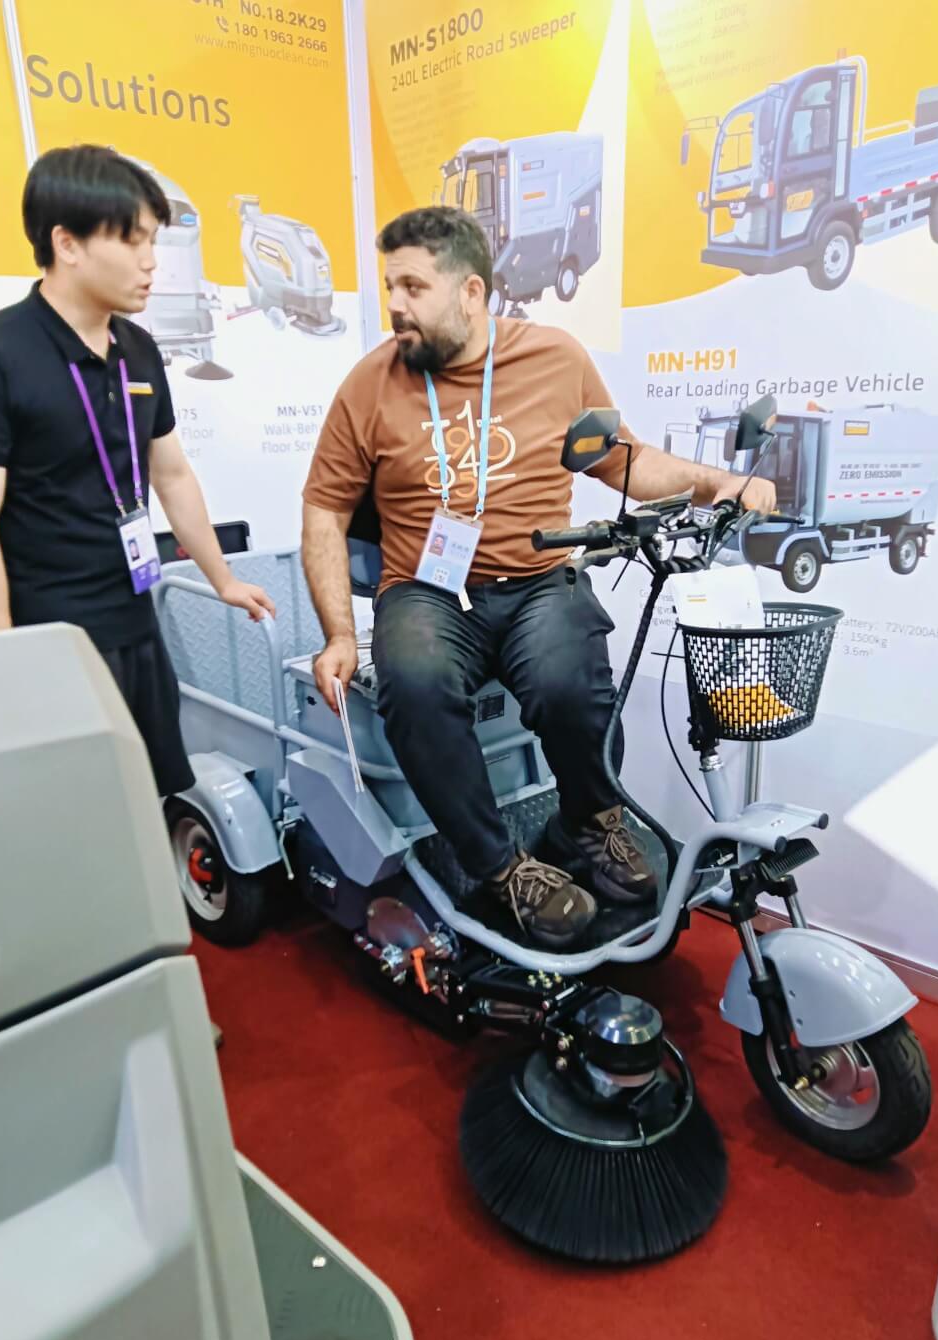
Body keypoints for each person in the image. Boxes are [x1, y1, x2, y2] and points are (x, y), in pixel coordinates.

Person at [301, 206, 776, 950]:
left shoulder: (554, 357)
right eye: (390, 286)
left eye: (413, 287)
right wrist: (337, 633)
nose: (395, 305)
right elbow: (325, 509)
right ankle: (500, 867)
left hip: (535, 575)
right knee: (415, 685)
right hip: (427, 589)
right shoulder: (370, 383)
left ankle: (586, 821)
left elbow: (624, 461)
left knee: (572, 682)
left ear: (471, 292)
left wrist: (717, 483)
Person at [0, 145, 274, 798]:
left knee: (151, 799)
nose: (151, 261)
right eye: (132, 240)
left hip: (137, 623)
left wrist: (223, 578)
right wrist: (4, 660)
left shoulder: (138, 350)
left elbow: (172, 475)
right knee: (78, 812)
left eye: (153, 240)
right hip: (51, 640)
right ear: (67, 243)